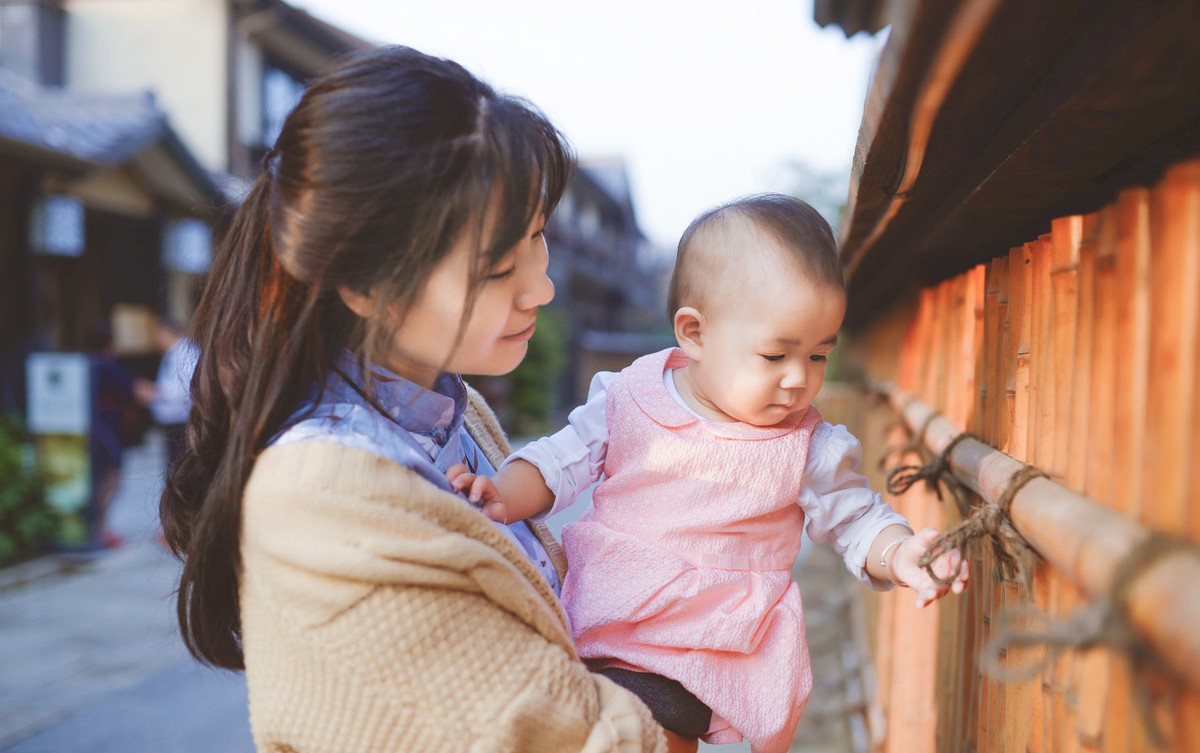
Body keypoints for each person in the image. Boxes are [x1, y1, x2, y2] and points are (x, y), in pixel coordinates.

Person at [158, 45, 683, 753]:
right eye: (498, 270)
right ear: (365, 282)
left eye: (537, 240)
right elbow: (560, 734)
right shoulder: (323, 491)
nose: (541, 288)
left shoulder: (448, 406)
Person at [448, 194, 971, 753]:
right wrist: (501, 493)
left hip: (710, 647)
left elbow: (857, 519)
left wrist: (900, 552)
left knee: (653, 736)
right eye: (775, 356)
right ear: (694, 334)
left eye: (819, 355)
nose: (799, 379)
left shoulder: (806, 446)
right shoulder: (632, 398)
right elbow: (561, 461)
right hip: (605, 617)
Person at [84, 323, 154, 549]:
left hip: (91, 430)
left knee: (97, 479)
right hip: (108, 432)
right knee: (111, 480)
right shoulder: (110, 366)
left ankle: (96, 528)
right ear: (111, 343)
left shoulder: (86, 364)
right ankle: (101, 528)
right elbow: (136, 390)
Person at [148, 316, 198, 473]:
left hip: (182, 421)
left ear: (165, 332)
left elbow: (189, 386)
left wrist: (157, 394)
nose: (156, 339)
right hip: (174, 421)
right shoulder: (174, 353)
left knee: (181, 469)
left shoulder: (185, 352)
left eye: (157, 333)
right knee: (176, 468)